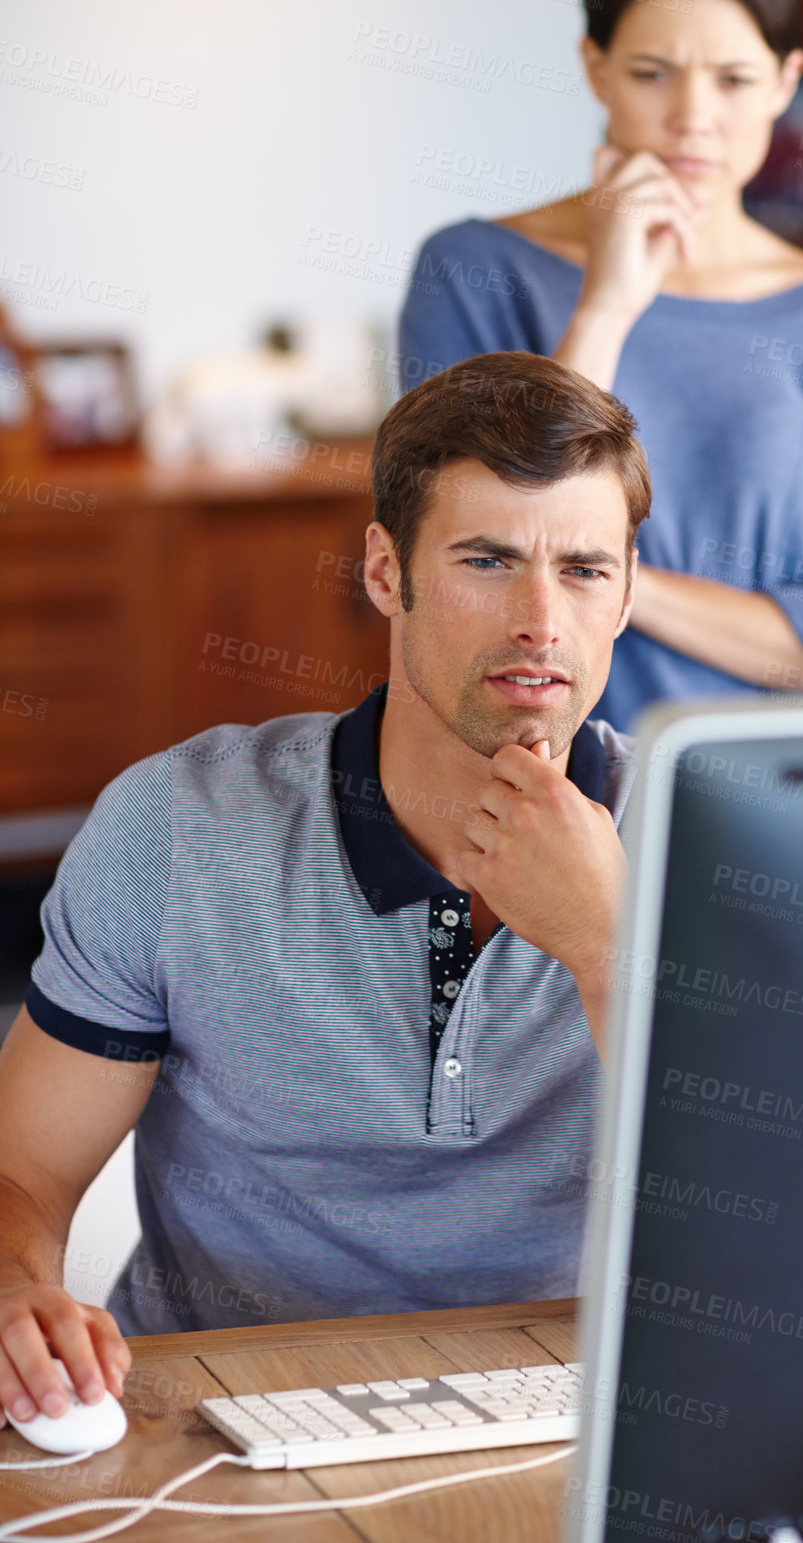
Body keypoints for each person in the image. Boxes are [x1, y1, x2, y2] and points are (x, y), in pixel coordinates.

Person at [0, 352, 648, 1428]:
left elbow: (785, 1238)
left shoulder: (703, 837)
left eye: (582, 568)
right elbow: (21, 1167)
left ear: (626, 591)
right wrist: (18, 1292)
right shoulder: (174, 826)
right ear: (384, 573)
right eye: (486, 560)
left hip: (559, 1426)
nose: (540, 618)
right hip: (212, 1419)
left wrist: (607, 946)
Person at [400, 0, 803, 735]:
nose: (694, 118)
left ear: (785, 83)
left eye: (734, 79)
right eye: (652, 74)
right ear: (595, 68)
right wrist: (606, 306)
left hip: (760, 794)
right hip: (520, 770)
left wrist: (616, 586)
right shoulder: (472, 271)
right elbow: (488, 548)